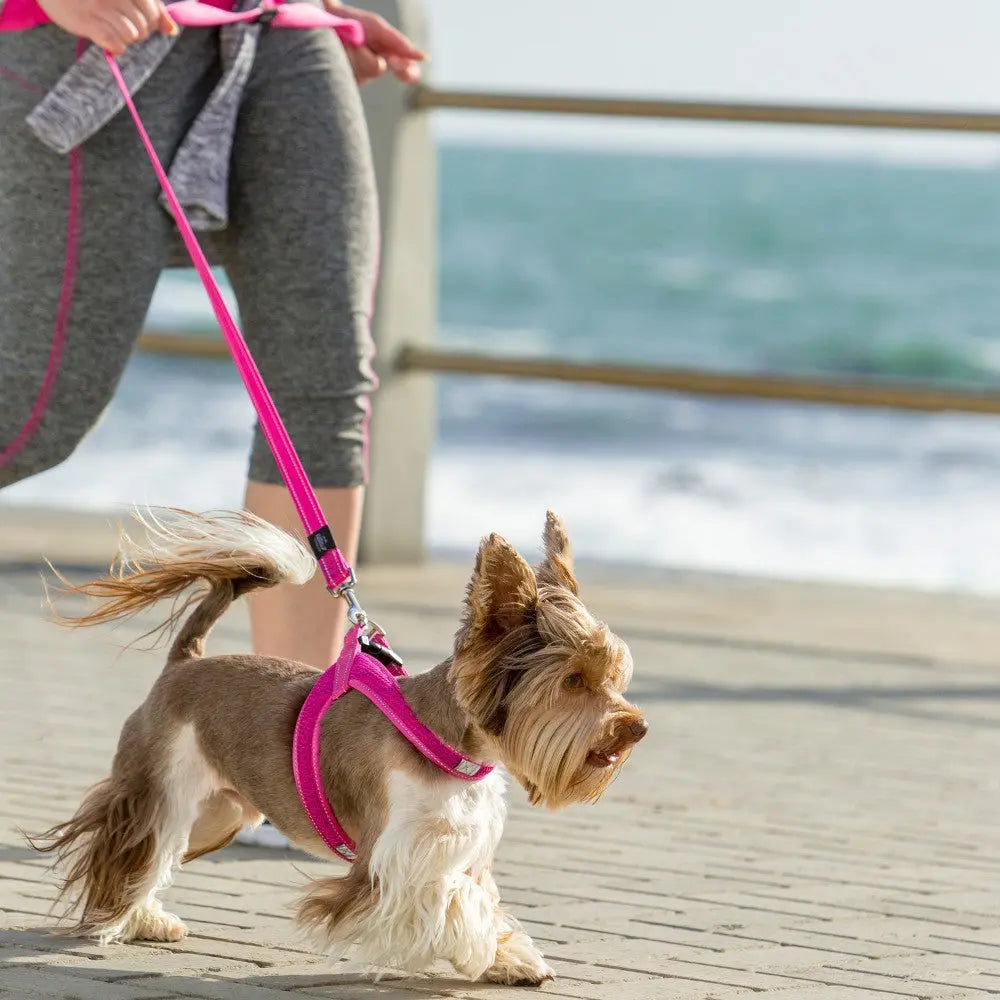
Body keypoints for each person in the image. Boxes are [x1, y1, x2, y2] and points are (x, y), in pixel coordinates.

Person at [0, 0, 425, 846]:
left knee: (322, 387)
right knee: (32, 409)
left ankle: (285, 762)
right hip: (93, 30)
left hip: (282, 34)